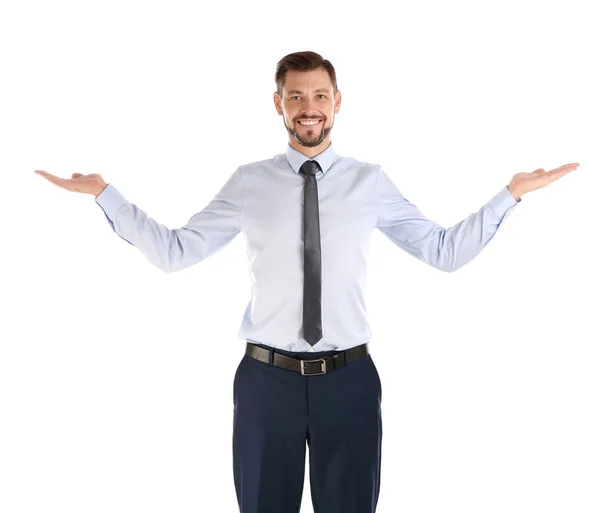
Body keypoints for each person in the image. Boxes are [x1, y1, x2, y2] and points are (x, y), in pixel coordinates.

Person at [34, 50, 579, 513]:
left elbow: (442, 251)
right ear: (279, 104)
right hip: (266, 383)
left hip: (350, 379)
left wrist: (510, 193)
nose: (309, 108)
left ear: (337, 101)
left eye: (319, 95)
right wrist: (105, 194)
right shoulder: (250, 182)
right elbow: (177, 252)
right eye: (296, 96)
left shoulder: (370, 182)